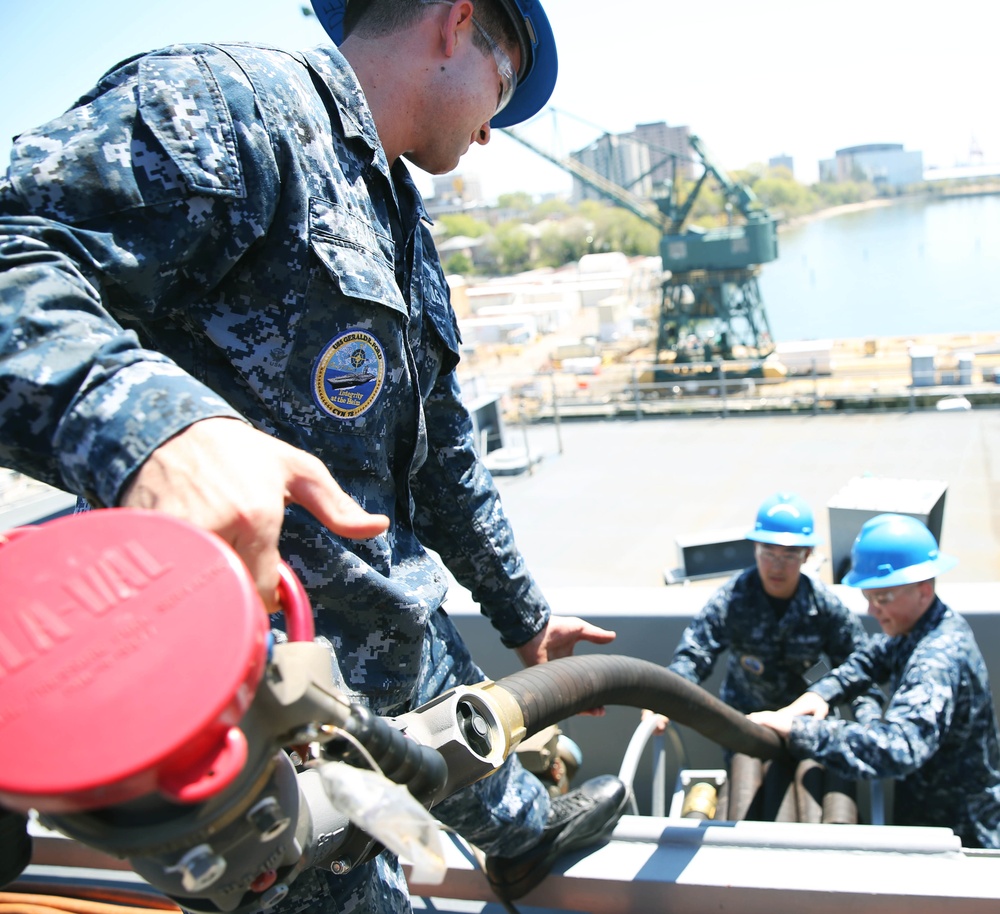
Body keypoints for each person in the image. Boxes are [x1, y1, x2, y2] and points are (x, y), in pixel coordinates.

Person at [0, 1, 627, 909]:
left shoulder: (398, 217)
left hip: (393, 638)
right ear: (457, 25)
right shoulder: (227, 108)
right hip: (259, 703)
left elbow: (441, 455)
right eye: (504, 87)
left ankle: (523, 837)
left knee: (463, 755)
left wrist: (524, 616)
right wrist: (157, 429)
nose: (493, 131)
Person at [750, 514, 1000, 848]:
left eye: (882, 599)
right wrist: (821, 694)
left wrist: (800, 731)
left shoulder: (936, 660)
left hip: (959, 833)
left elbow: (898, 748)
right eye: (869, 598)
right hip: (928, 813)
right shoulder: (920, 626)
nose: (872, 611)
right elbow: (869, 660)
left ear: (923, 591)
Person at [643, 492, 882, 731]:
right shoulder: (733, 598)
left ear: (807, 554)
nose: (777, 566)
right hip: (746, 723)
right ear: (755, 548)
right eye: (768, 553)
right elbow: (694, 657)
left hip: (804, 723)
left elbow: (860, 672)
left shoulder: (824, 606)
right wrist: (666, 697)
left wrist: (871, 727)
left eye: (789, 555)